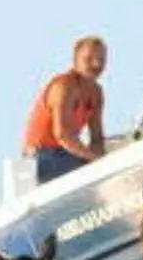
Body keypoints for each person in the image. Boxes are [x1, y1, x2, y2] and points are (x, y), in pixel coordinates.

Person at [20, 36, 108, 184]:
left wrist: (100, 159)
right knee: (88, 169)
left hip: (66, 154)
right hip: (40, 157)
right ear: (75, 61)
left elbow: (97, 137)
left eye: (101, 59)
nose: (96, 64)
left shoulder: (97, 93)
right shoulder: (64, 86)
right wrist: (95, 159)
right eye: (89, 59)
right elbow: (62, 135)